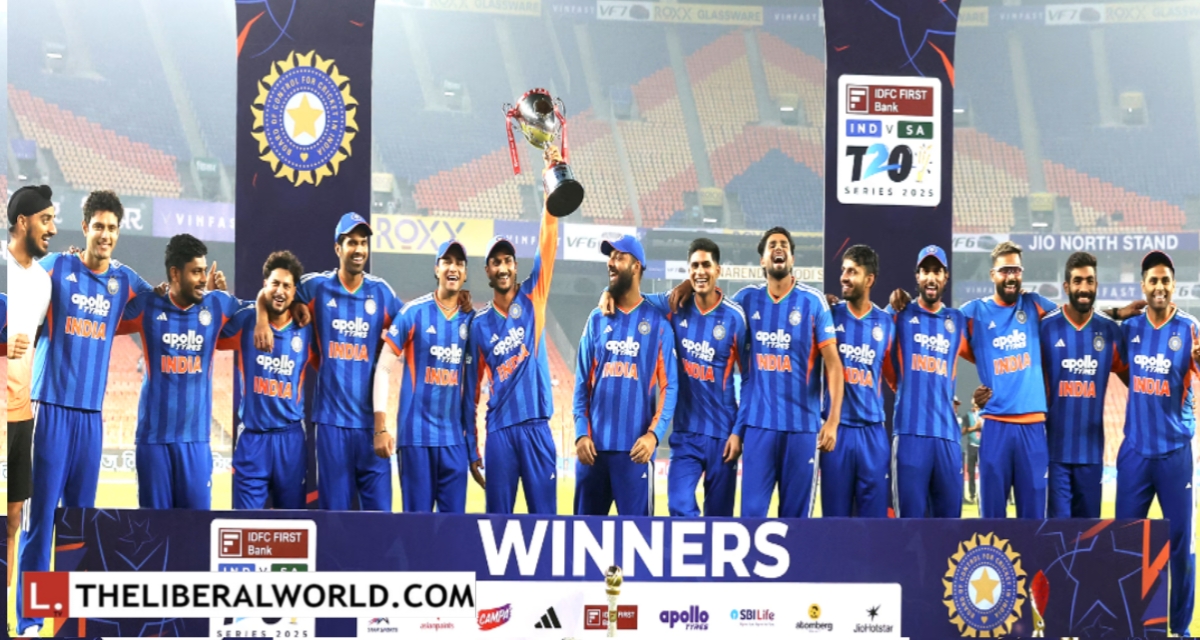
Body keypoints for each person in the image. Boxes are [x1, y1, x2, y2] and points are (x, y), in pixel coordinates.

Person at [15, 190, 154, 636]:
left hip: (91, 419)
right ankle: (31, 619)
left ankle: (69, 619)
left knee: (78, 522)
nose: (105, 235)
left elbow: (158, 302)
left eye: (112, 228)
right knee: (40, 520)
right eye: (98, 226)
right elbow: (21, 284)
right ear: (85, 227)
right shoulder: (57, 266)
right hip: (50, 409)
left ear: (118, 232)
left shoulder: (125, 281)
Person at [256, 213, 403, 511]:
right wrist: (260, 314)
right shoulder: (316, 287)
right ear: (338, 248)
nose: (359, 249)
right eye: (351, 243)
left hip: (371, 424)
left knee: (382, 519)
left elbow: (412, 324)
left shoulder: (382, 292)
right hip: (331, 422)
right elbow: (274, 292)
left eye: (363, 243)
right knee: (334, 516)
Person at [598, 237, 747, 517]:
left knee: (720, 520)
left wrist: (739, 432)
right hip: (686, 435)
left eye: (706, 265)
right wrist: (608, 291)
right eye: (694, 266)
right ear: (687, 271)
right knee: (678, 506)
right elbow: (635, 297)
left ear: (718, 270)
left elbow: (748, 379)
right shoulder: (674, 306)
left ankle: (707, 546)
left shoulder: (735, 317)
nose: (700, 271)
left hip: (723, 435)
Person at [464, 148, 562, 514]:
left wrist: (550, 182)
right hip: (500, 433)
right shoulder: (478, 325)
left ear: (515, 266)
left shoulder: (534, 297)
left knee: (545, 523)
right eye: (496, 262)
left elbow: (548, 240)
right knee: (497, 525)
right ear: (487, 271)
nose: (503, 267)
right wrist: (472, 447)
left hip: (536, 427)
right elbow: (470, 394)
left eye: (507, 260)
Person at [117, 234, 242, 509]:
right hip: (153, 442)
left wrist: (263, 318)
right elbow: (104, 315)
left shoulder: (217, 304)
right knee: (154, 528)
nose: (203, 278)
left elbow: (254, 313)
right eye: (196, 272)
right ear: (175, 273)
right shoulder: (149, 306)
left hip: (195, 443)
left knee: (195, 527)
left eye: (204, 271)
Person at [734, 227, 843, 518]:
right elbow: (711, 309)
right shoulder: (746, 300)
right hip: (759, 427)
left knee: (796, 523)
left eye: (784, 244)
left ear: (792, 258)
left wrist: (832, 421)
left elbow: (833, 364)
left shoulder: (812, 301)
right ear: (762, 259)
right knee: (751, 517)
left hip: (802, 429)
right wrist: (685, 287)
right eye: (772, 245)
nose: (778, 248)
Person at [1116, 250, 1196, 636]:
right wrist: (1118, 312)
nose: (1159, 286)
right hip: (1135, 451)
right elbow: (1096, 329)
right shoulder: (1130, 328)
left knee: (1180, 545)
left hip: (1175, 454)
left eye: (1165, 280)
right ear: (1143, 286)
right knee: (1124, 542)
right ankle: (1127, 625)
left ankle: (1179, 629)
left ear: (1173, 285)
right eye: (1153, 280)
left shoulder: (1191, 329)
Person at [373, 240, 481, 513]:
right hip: (416, 438)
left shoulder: (472, 320)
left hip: (454, 441)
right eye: (447, 262)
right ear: (436, 269)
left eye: (459, 263)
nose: (453, 268)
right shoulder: (413, 312)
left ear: (465, 273)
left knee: (452, 529)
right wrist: (381, 426)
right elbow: (383, 367)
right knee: (416, 528)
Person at [574, 235, 678, 516]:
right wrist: (581, 434)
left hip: (635, 453)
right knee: (583, 535)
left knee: (637, 537)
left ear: (636, 266)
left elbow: (669, 388)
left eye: (619, 257)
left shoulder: (658, 325)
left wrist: (654, 436)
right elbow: (582, 384)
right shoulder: (596, 319)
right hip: (592, 451)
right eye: (610, 257)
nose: (611, 262)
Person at [958, 241, 1057, 519]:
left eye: (1016, 270)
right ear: (993, 275)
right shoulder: (973, 312)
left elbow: (1074, 319)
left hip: (1033, 427)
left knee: (1034, 520)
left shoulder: (1036, 304)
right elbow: (943, 329)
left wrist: (1117, 313)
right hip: (996, 424)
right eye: (1004, 271)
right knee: (991, 518)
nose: (1011, 276)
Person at [219, 251, 313, 510]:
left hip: (290, 439)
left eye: (287, 286)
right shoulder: (246, 321)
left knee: (291, 525)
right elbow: (213, 331)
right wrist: (218, 296)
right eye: (275, 283)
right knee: (246, 524)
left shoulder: (307, 327)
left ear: (295, 292)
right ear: (264, 285)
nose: (280, 291)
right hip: (253, 439)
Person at [1039, 252, 1125, 518]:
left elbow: (1135, 378)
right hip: (1054, 453)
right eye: (1078, 281)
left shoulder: (1109, 330)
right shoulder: (1046, 327)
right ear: (1067, 286)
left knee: (1088, 534)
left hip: (1091, 454)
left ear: (1096, 285)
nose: (1084, 287)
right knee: (1056, 533)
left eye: (1089, 281)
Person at [887, 245, 968, 518]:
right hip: (910, 434)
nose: (931, 277)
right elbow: (871, 340)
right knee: (908, 528)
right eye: (925, 271)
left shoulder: (957, 320)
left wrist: (986, 392)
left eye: (937, 271)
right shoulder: (899, 314)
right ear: (917, 276)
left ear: (946, 277)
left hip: (948, 437)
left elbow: (989, 352)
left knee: (950, 528)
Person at [820, 244, 893, 518]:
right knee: (834, 520)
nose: (844, 277)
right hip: (836, 431)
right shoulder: (829, 315)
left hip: (872, 432)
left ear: (869, 279)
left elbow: (895, 376)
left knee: (873, 523)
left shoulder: (886, 322)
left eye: (853, 272)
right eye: (843, 270)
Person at [6, 186, 54, 593]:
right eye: (45, 219)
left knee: (13, 519)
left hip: (20, 415)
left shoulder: (42, 282)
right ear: (23, 222)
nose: (52, 228)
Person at [962, 401, 981, 505]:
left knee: (984, 471)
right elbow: (964, 431)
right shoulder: (967, 415)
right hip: (972, 446)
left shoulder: (985, 414)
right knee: (971, 471)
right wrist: (975, 427)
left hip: (983, 446)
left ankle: (982, 495)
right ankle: (972, 494)